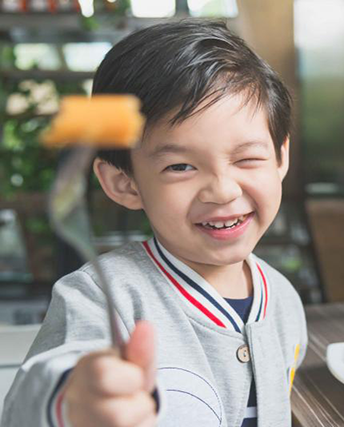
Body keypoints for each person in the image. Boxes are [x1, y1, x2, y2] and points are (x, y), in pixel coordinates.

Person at [1, 19, 307, 427]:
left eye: (247, 158)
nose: (222, 190)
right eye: (180, 166)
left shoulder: (283, 299)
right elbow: (30, 403)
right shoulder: (98, 298)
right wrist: (68, 401)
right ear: (124, 183)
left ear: (280, 158)